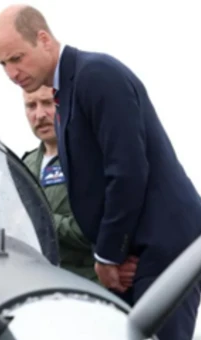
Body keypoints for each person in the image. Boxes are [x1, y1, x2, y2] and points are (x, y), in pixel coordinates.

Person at [0, 5, 201, 340]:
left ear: (43, 39)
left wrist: (108, 254)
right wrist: (114, 255)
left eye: (16, 58)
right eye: (2, 64)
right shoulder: (66, 91)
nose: (11, 72)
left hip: (165, 248)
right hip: (137, 253)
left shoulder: (95, 76)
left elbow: (128, 170)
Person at [20, 85, 137, 283]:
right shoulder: (23, 166)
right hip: (33, 286)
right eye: (31, 106)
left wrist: (40, 220)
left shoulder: (93, 160)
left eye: (47, 103)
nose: (39, 114)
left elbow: (97, 228)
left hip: (86, 288)